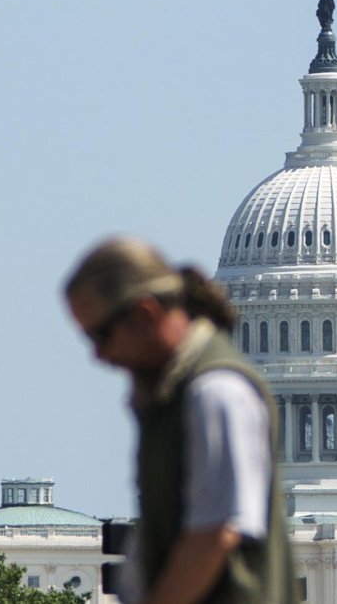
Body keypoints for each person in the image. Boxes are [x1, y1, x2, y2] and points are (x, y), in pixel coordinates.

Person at [64, 237, 296, 604]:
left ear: (145, 314)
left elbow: (216, 533)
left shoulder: (217, 392)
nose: (98, 355)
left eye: (101, 335)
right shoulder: (171, 394)